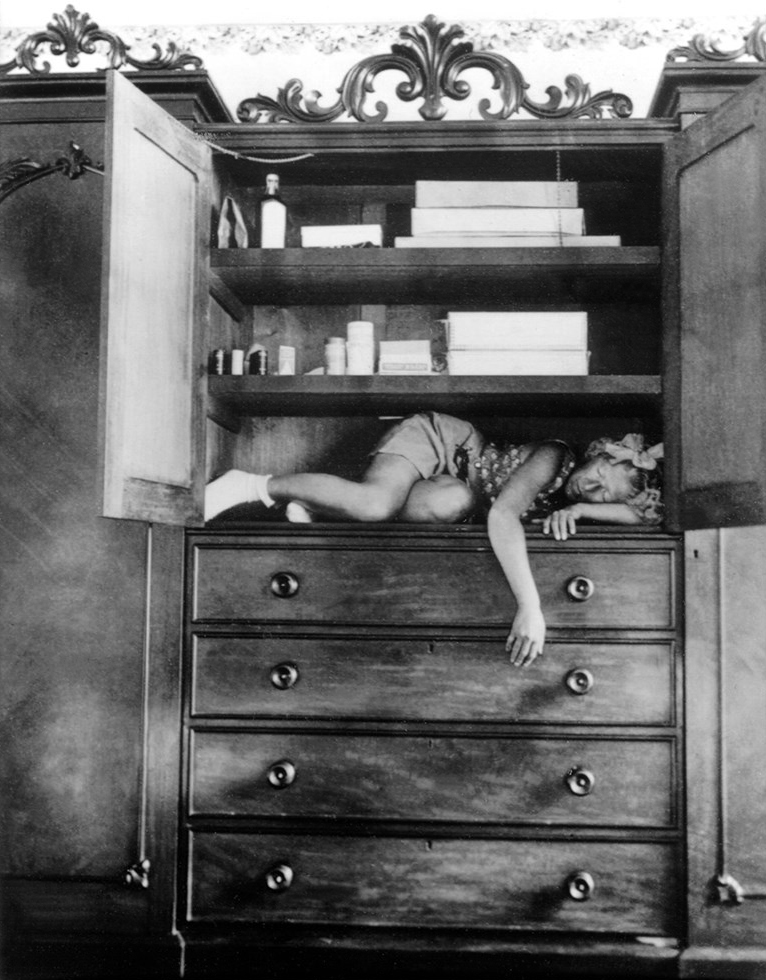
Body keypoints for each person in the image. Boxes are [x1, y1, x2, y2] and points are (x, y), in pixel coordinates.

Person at [204, 412, 663, 670]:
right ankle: (253, 484)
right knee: (376, 504)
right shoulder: (555, 456)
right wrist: (530, 606)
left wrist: (583, 511)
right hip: (446, 444)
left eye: (604, 494)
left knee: (450, 502)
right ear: (600, 453)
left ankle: (322, 504)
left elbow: (646, 516)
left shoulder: (575, 500)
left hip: (456, 488)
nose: (591, 486)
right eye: (599, 473)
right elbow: (503, 514)